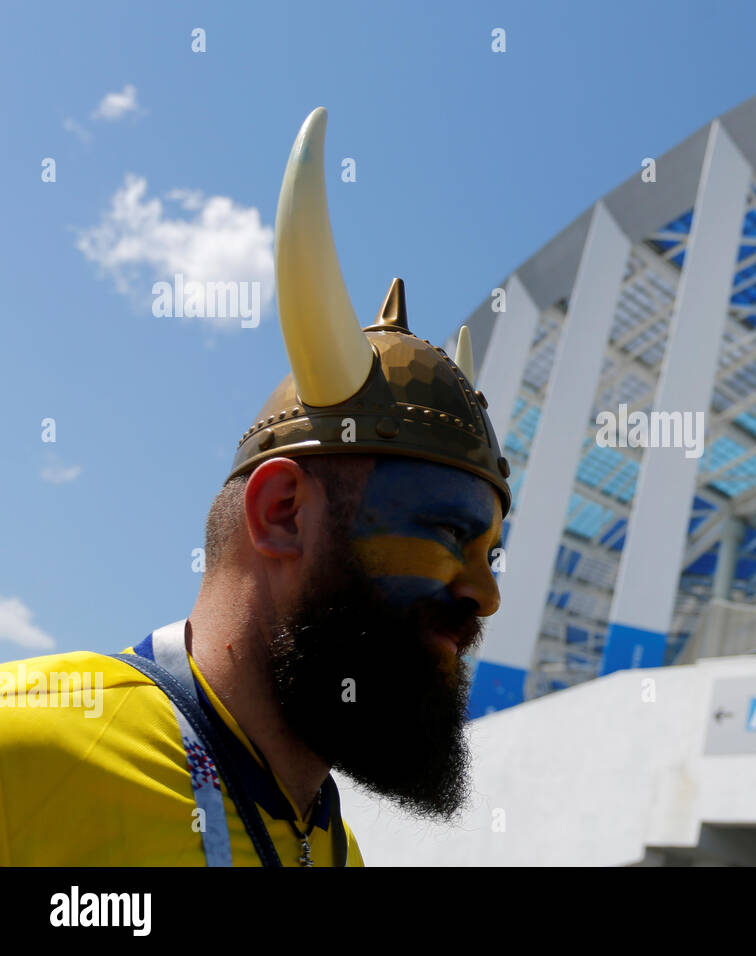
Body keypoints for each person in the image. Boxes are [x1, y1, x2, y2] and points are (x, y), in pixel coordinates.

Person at [0, 108, 512, 866]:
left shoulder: (340, 851)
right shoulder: (27, 748)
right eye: (446, 535)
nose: (486, 594)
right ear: (280, 514)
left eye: (492, 556)